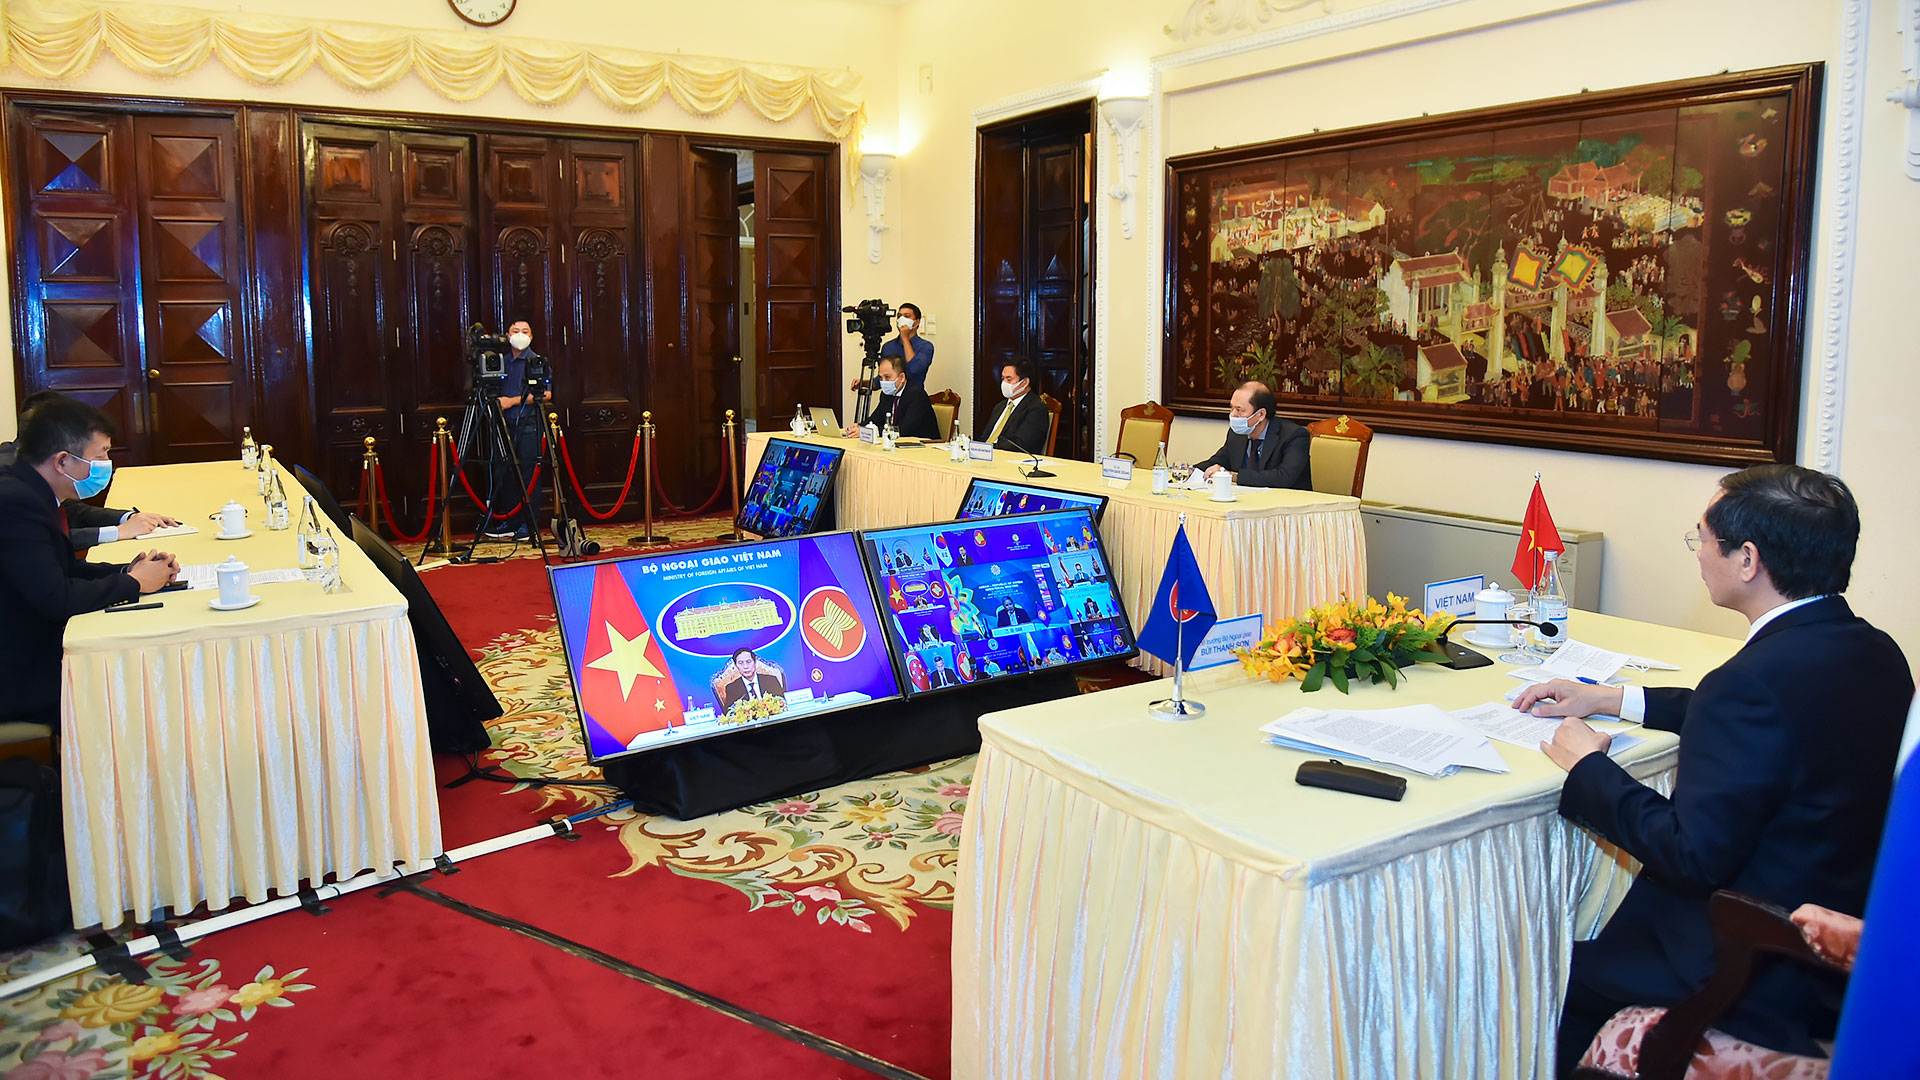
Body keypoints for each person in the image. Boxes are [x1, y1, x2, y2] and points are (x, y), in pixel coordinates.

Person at [1514, 465, 1913, 1075]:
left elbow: (1692, 855)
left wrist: (1589, 767)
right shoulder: (1877, 651)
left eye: (1702, 539)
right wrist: (1613, 698)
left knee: (1550, 971)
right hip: (1839, 933)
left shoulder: (1749, 685)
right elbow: (1774, 719)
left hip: (1750, 962)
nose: (1699, 554)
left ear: (1747, 559)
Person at [0, 398, 178, 730]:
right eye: (100, 457)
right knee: (139, 683)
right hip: (19, 673)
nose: (106, 465)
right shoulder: (15, 502)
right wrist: (135, 583)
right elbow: (56, 598)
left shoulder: (31, 490)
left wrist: (127, 570)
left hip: (28, 647)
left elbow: (64, 568)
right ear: (62, 461)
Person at [0, 392, 178, 547]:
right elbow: (44, 540)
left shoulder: (35, 471)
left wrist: (130, 518)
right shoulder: (10, 487)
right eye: (100, 456)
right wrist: (118, 532)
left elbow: (73, 512)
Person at [484, 320, 552, 541]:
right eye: (515, 331)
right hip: (504, 425)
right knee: (505, 474)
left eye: (525, 331)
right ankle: (511, 522)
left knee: (528, 475)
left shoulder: (536, 361)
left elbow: (546, 393)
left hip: (528, 425)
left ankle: (528, 525)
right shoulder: (501, 362)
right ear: (507, 335)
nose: (520, 335)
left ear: (531, 336)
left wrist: (512, 401)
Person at [1198, 381, 1311, 489]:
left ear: (1261, 414)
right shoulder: (1237, 434)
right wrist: (1191, 470)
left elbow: (1283, 477)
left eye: (1239, 410)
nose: (1233, 415)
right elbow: (1218, 461)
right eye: (1231, 408)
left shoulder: (1294, 435)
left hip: (1286, 500)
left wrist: (1233, 476)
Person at [845, 355, 939, 440]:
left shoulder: (916, 394)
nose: (883, 382)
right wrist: (859, 427)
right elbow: (875, 419)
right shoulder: (887, 394)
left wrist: (870, 432)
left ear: (902, 377)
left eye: (887, 377)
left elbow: (905, 429)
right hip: (895, 443)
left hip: (924, 445)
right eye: (881, 378)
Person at [849, 302, 935, 392]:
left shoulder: (926, 346)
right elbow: (882, 380)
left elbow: (914, 368)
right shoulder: (888, 346)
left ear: (917, 322)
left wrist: (905, 339)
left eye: (907, 316)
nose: (902, 319)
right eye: (899, 316)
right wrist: (863, 383)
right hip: (888, 398)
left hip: (912, 396)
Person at [975, 359, 1051, 455]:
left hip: (1010, 459)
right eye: (1003, 378)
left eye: (1009, 379)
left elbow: (1021, 445)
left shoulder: (1036, 408)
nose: (1004, 383)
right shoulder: (1000, 407)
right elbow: (985, 438)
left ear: (1025, 382)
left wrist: (988, 449)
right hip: (985, 456)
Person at [718, 648, 786, 710]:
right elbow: (729, 712)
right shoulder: (732, 688)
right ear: (736, 666)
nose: (745, 666)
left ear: (755, 662)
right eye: (740, 663)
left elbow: (782, 703)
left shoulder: (771, 680)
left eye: (748, 662)